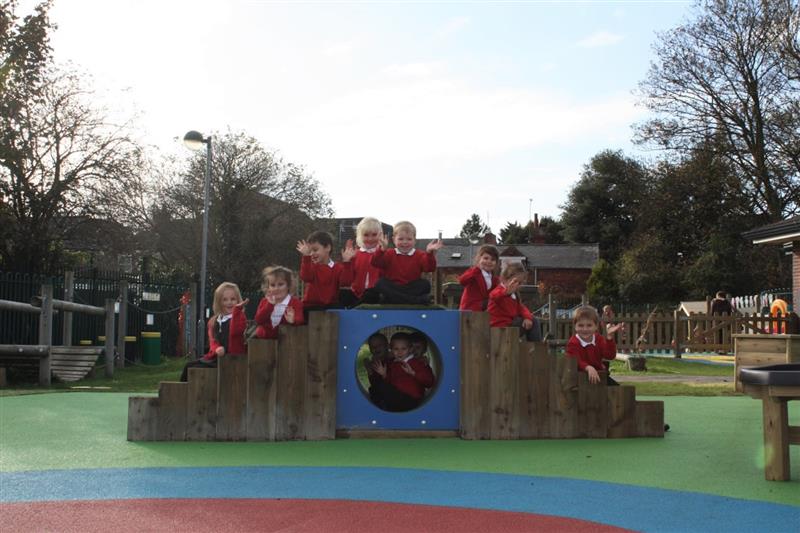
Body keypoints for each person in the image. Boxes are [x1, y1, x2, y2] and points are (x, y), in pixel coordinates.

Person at [180, 282, 248, 382]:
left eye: (233, 299)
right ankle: (183, 394)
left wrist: (238, 310)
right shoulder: (214, 321)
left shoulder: (239, 318)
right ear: (219, 302)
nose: (229, 303)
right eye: (225, 299)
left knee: (198, 370)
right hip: (216, 357)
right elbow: (213, 341)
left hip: (231, 358)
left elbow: (235, 333)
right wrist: (216, 349)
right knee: (188, 366)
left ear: (238, 301)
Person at [371, 221, 442, 304]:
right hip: (393, 287)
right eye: (401, 239)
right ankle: (414, 300)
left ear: (414, 240)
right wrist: (381, 250)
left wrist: (429, 253)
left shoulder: (420, 255)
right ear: (394, 240)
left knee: (425, 284)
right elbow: (375, 263)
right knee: (380, 283)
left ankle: (394, 299)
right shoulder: (389, 253)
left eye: (409, 239)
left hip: (410, 288)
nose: (405, 242)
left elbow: (429, 268)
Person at [370, 332, 435, 412]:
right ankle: (383, 407)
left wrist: (414, 373)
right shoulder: (393, 364)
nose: (400, 352)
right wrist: (384, 374)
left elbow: (430, 382)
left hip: (411, 399)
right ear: (391, 349)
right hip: (396, 398)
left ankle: (384, 406)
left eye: (403, 349)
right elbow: (390, 382)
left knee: (382, 387)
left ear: (410, 349)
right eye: (396, 349)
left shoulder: (419, 363)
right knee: (377, 387)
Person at [297, 231, 355, 313]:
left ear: (328, 247)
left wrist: (347, 262)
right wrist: (306, 257)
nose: (312, 254)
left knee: (339, 311)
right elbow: (305, 277)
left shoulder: (338, 268)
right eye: (310, 252)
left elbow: (346, 282)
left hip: (331, 306)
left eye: (315, 250)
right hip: (311, 306)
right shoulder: (311, 266)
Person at [565, 306, 625, 386]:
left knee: (619, 393)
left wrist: (609, 338)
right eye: (581, 325)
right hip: (579, 378)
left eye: (589, 325)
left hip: (599, 374)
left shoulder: (598, 339)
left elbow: (610, 356)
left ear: (596, 326)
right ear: (575, 326)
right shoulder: (573, 343)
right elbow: (576, 361)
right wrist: (588, 367)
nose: (585, 329)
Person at [487, 262, 542, 341]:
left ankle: (534, 345)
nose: (517, 285)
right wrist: (506, 292)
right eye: (515, 282)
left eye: (519, 283)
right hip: (499, 327)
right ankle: (536, 347)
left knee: (533, 321)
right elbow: (493, 296)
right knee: (534, 322)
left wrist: (527, 318)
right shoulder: (500, 291)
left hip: (510, 324)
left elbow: (521, 308)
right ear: (505, 279)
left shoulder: (514, 295)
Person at [340, 217, 384, 307]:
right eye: (366, 235)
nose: (370, 238)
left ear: (380, 236)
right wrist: (347, 262)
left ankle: (356, 307)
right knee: (342, 293)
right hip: (356, 294)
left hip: (376, 296)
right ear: (360, 236)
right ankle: (356, 307)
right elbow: (346, 281)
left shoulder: (384, 254)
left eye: (374, 235)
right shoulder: (356, 255)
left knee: (370, 294)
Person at [254, 266, 304, 339]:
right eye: (272, 285)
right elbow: (258, 320)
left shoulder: (295, 302)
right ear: (268, 287)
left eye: (280, 284)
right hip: (265, 343)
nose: (276, 288)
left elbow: (300, 319)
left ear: (289, 286)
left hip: (287, 341)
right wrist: (269, 305)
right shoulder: (265, 301)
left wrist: (293, 320)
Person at [458, 245, 500, 311]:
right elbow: (462, 281)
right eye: (486, 258)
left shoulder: (494, 279)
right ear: (479, 259)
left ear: (496, 263)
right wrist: (476, 269)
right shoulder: (474, 272)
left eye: (492, 259)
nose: (489, 262)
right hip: (469, 310)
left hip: (484, 311)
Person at [363, 332, 390, 406]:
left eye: (379, 345)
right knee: (373, 390)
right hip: (381, 393)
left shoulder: (394, 357)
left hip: (394, 391)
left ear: (387, 346)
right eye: (372, 347)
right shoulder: (374, 363)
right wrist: (369, 370)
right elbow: (374, 383)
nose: (376, 348)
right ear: (370, 350)